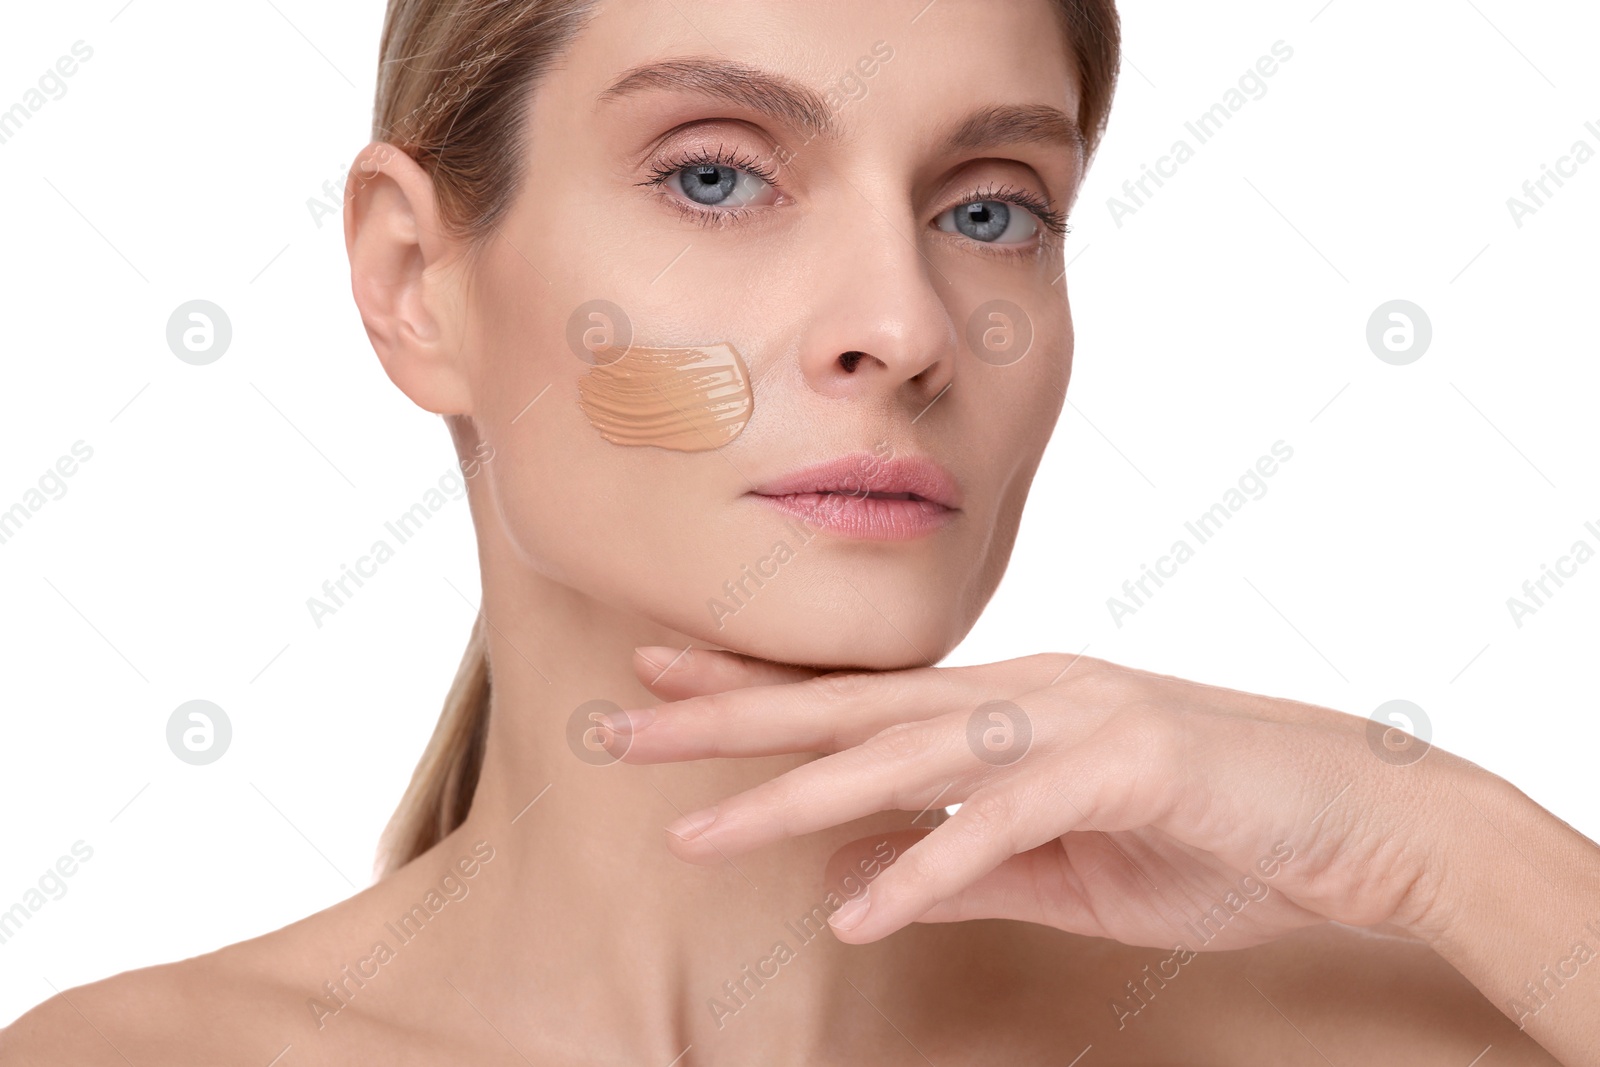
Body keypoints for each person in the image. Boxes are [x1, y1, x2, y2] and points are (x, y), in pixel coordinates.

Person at [5, 0, 1593, 1062]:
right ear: (416, 283)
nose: (903, 328)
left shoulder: (1385, 1023)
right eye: (716, 177)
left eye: (989, 208)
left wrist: (1436, 835)